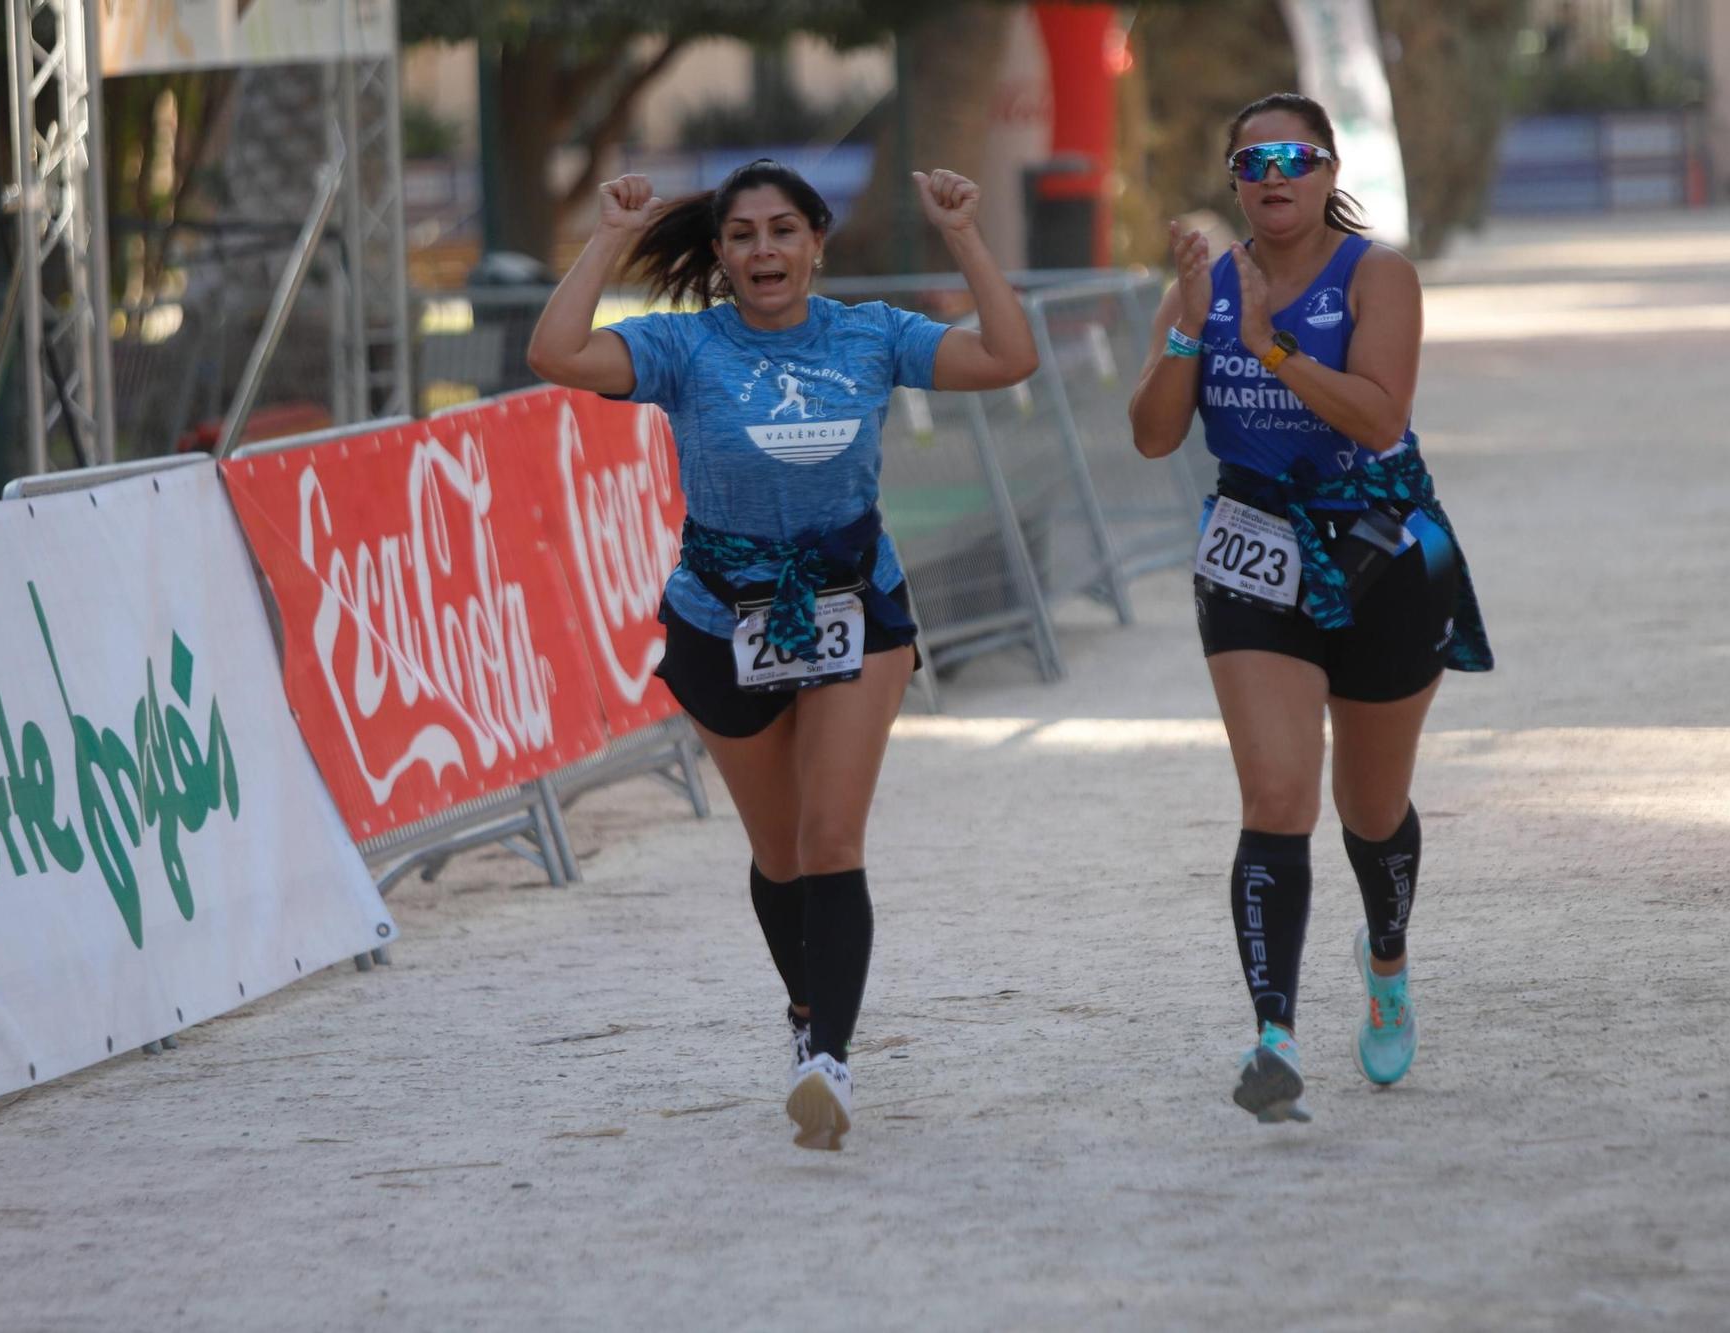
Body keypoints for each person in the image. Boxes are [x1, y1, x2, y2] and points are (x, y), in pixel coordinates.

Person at [526, 160, 1037, 1150]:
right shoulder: (682, 346)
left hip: (854, 605)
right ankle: (807, 1007)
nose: (764, 251)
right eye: (743, 235)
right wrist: (605, 239)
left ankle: (828, 1061)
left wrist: (964, 235)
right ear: (720, 256)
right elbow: (555, 352)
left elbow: (1007, 356)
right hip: (721, 617)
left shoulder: (872, 334)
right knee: (780, 852)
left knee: (832, 836)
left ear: (816, 244)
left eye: (782, 231)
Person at [1127, 93, 1492, 1124]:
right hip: (1251, 545)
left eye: (1292, 156)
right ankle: (1273, 1034)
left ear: (1329, 170)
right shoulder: (1198, 286)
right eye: (1250, 161)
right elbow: (1152, 436)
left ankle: (1383, 960)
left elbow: (1379, 416)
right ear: (1231, 179)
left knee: (1368, 811)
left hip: (1377, 542)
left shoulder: (1376, 275)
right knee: (1275, 798)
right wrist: (1196, 335)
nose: (1271, 174)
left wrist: (1271, 344)